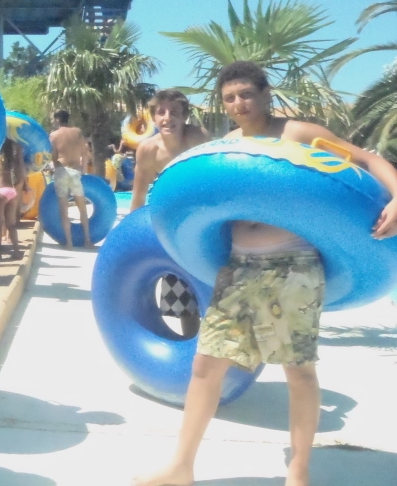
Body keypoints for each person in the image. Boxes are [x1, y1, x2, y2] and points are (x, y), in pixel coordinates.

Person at [133, 61, 397, 486]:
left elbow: (366, 158)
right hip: (238, 265)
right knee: (204, 367)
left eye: (246, 94)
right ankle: (180, 467)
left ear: (265, 93)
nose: (239, 104)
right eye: (229, 98)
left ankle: (299, 472)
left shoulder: (298, 134)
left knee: (298, 371)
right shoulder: (227, 146)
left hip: (293, 265)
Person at [130, 89, 209, 336]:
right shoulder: (147, 150)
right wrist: (131, 233)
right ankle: (191, 344)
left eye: (174, 112)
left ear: (185, 116)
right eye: (161, 112)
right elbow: (138, 195)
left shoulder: (197, 139)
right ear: (153, 119)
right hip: (172, 221)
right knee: (181, 289)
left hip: (202, 218)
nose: (167, 118)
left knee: (209, 287)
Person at [49, 109, 92, 248]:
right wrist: (84, 171)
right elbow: (85, 153)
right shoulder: (77, 132)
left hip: (61, 171)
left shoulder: (54, 135)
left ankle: (69, 242)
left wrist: (56, 169)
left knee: (64, 208)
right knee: (82, 207)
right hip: (75, 171)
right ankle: (87, 240)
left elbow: (54, 157)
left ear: (57, 119)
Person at [0, 139, 25, 260]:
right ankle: (16, 251)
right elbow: (21, 170)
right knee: (11, 224)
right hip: (12, 192)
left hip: (0, 192)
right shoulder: (12, 161)